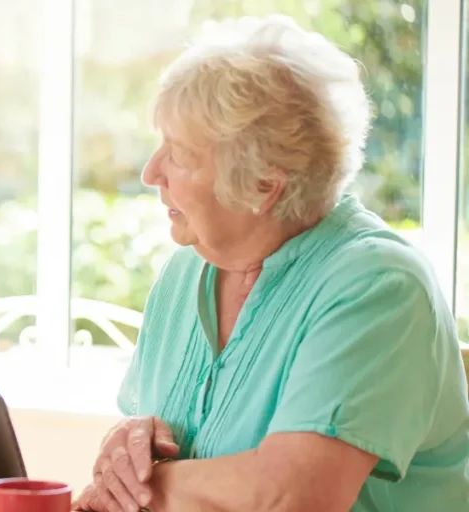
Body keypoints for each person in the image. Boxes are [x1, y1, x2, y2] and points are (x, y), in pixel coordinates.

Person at [74, 15, 469, 512]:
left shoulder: (378, 285)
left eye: (178, 154)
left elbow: (295, 496)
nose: (152, 172)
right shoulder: (185, 272)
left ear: (264, 185)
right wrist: (128, 446)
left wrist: (146, 492)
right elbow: (173, 435)